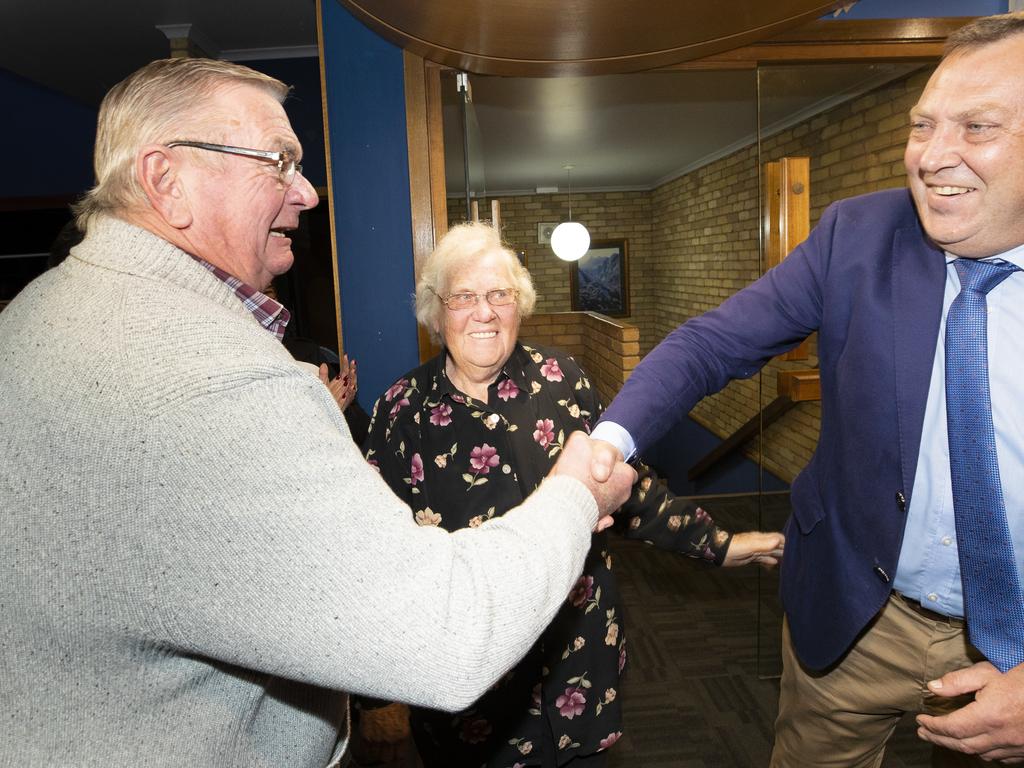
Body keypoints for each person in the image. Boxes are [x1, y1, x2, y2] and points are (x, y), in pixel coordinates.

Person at [0, 57, 637, 768]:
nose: (305, 192)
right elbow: (443, 634)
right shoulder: (226, 380)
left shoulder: (32, 314)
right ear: (165, 181)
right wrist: (579, 491)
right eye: (279, 161)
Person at [591, 12, 1024, 767]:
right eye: (922, 126)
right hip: (858, 614)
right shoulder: (856, 234)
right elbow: (712, 343)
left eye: (977, 127)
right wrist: (605, 447)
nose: (932, 156)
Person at [356, 222, 785, 768]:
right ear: (437, 312)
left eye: (499, 295)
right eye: (464, 297)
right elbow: (376, 559)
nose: (484, 312)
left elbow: (631, 487)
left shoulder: (563, 380)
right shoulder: (400, 411)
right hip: (474, 680)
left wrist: (720, 544)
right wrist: (377, 696)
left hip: (578, 653)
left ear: (520, 305)